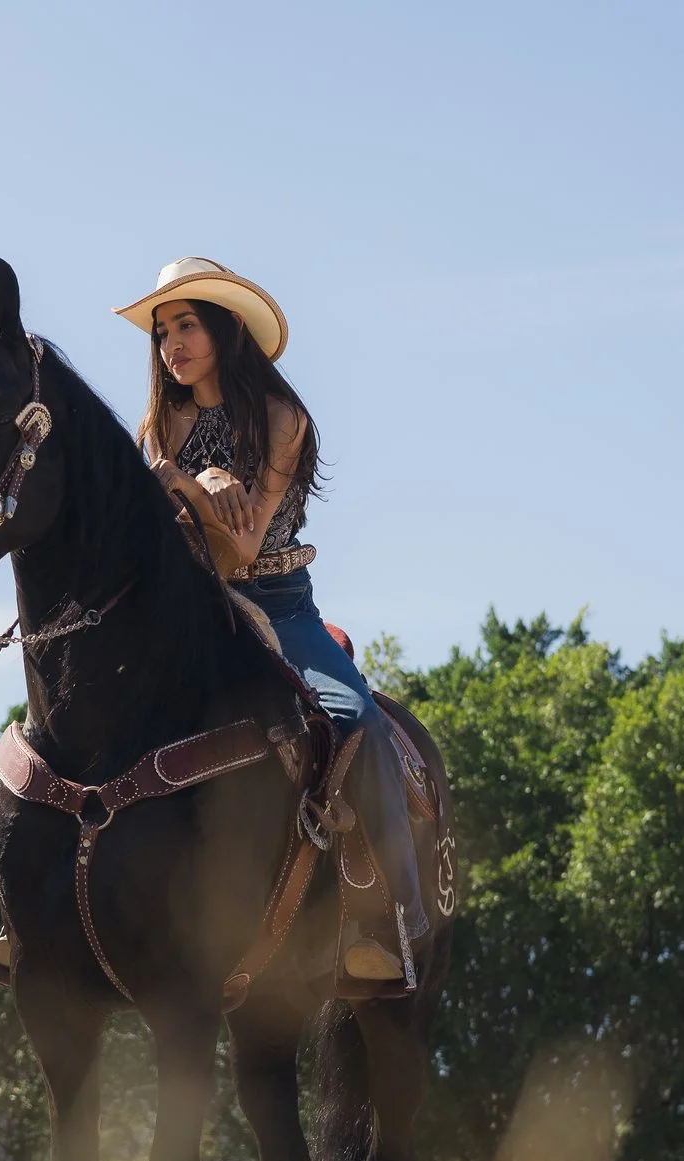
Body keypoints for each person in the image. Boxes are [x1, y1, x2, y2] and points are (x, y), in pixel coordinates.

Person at [115, 256, 429, 984]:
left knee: (357, 719)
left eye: (186, 325)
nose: (171, 346)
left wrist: (179, 481)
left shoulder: (282, 419)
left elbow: (245, 543)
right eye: (162, 332)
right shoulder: (159, 425)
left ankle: (391, 916)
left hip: (279, 606)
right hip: (189, 610)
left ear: (225, 329)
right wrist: (179, 480)